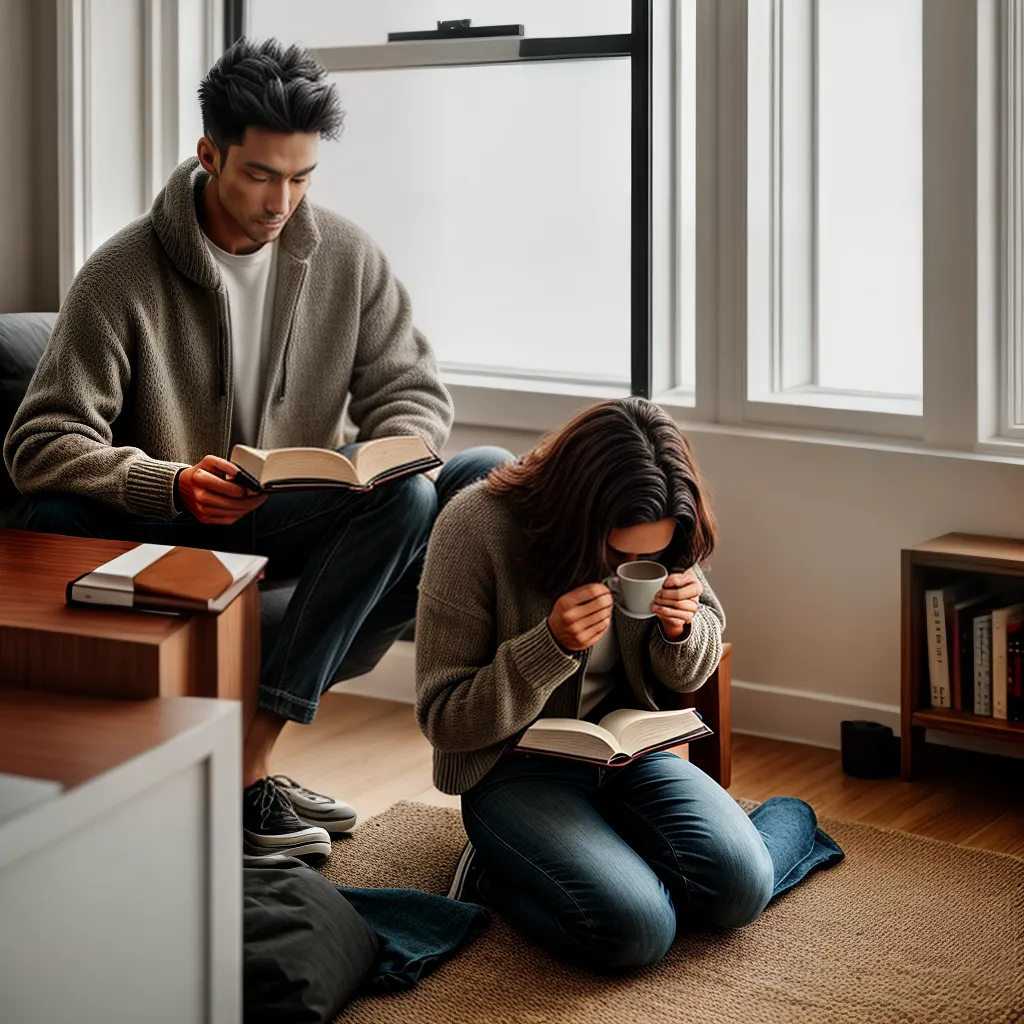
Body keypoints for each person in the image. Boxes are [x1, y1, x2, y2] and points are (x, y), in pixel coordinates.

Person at [3, 38, 509, 859]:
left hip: (289, 513)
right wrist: (167, 484)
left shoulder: (344, 256)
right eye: (261, 175)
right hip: (173, 526)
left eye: (303, 176)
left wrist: (376, 455)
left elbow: (414, 395)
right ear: (209, 155)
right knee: (53, 512)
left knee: (461, 486)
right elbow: (41, 443)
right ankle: (248, 774)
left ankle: (249, 755)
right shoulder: (120, 274)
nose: (284, 200)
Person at [414, 398, 843, 972]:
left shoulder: (666, 536)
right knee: (639, 932)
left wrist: (682, 629)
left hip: (628, 755)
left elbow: (691, 670)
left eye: (653, 555)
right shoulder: (475, 527)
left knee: (740, 891)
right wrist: (550, 648)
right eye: (619, 553)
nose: (633, 569)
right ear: (575, 516)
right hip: (512, 767)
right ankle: (499, 871)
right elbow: (443, 717)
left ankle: (639, 862)